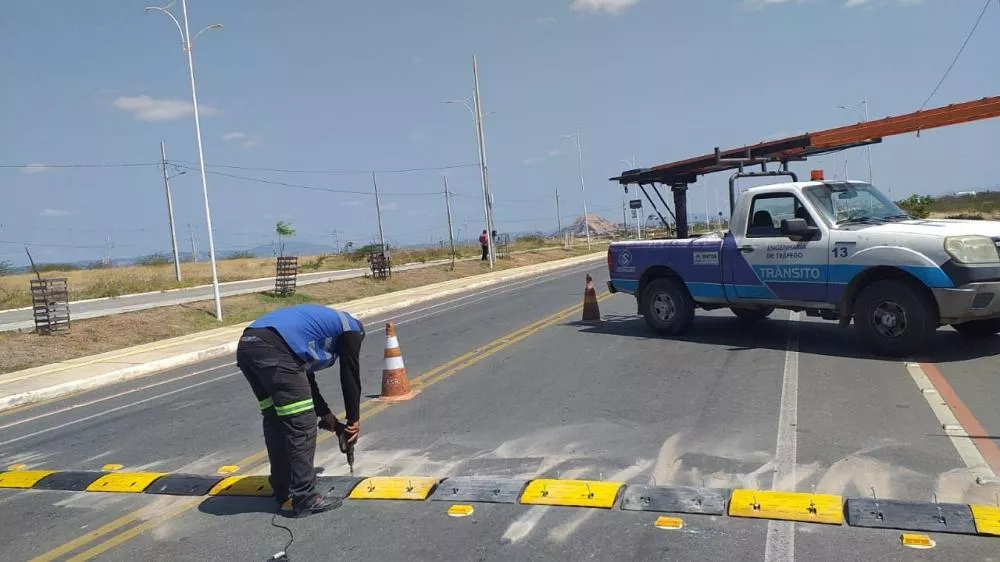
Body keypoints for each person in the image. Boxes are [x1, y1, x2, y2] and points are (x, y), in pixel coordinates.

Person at [236, 304, 365, 517]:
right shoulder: (352, 330)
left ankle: (282, 488)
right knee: (301, 423)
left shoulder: (318, 330)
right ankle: (305, 498)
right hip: (273, 348)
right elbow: (350, 376)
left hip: (248, 345)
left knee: (276, 418)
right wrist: (353, 421)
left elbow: (305, 377)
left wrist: (326, 415)